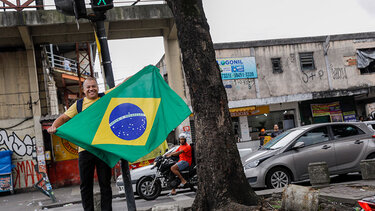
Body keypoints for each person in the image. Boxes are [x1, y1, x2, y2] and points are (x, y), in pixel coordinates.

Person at [47, 77, 115, 211]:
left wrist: (141, 73)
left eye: (93, 86)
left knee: (105, 184)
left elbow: (123, 85)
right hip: (85, 151)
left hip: (102, 149)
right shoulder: (78, 105)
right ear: (83, 90)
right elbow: (63, 118)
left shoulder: (105, 97)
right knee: (85, 186)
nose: (91, 89)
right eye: (88, 87)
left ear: (98, 87)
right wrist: (53, 127)